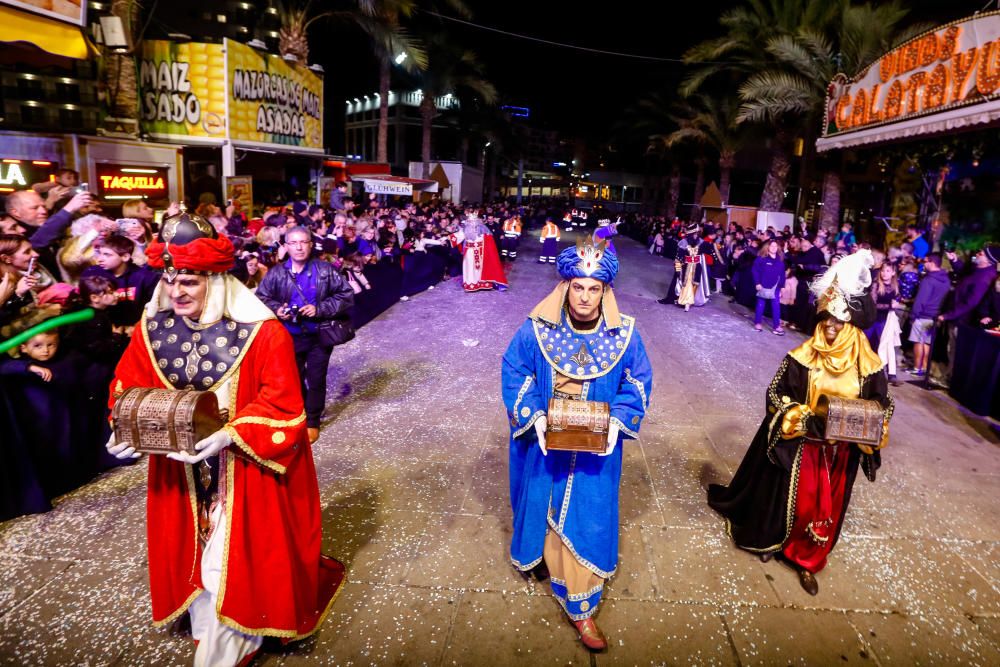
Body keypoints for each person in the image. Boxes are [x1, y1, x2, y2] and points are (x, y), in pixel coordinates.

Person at [105, 208, 345, 667]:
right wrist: (125, 427)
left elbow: (283, 407)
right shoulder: (152, 328)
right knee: (195, 554)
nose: (176, 291)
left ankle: (232, 641)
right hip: (179, 471)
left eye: (189, 282)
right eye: (171, 280)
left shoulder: (264, 333)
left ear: (214, 281)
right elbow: (126, 387)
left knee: (227, 560)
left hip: (245, 470)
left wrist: (231, 434)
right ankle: (212, 623)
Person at [708, 250, 893, 596]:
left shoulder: (868, 364)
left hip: (841, 455)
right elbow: (777, 395)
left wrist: (868, 425)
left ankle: (807, 560)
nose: (832, 328)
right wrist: (802, 417)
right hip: (803, 448)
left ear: (853, 327)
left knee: (825, 509)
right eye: (827, 321)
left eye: (840, 323)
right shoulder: (803, 356)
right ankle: (775, 541)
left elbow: (884, 404)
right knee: (794, 502)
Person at [501, 240, 653, 650]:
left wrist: (617, 423)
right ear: (566, 286)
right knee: (542, 504)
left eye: (594, 289)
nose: (585, 297)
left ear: (606, 291)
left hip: (595, 452)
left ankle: (582, 608)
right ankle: (544, 562)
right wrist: (532, 415)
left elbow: (636, 383)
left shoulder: (626, 335)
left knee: (589, 515)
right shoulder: (536, 328)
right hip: (546, 445)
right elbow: (516, 371)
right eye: (579, 287)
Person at [255, 226, 354, 443]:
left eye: (303, 242)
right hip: (289, 336)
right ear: (286, 246)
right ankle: (299, 411)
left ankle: (312, 420)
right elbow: (261, 297)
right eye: (294, 243)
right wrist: (277, 310)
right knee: (294, 377)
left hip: (319, 335)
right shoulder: (277, 273)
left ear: (311, 244)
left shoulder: (325, 269)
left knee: (316, 378)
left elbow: (346, 295)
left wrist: (320, 309)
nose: (299, 247)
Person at [907, 253, 949, 377]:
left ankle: (917, 367)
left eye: (925, 261)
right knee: (926, 343)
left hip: (922, 315)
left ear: (931, 262)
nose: (923, 264)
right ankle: (924, 367)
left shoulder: (928, 280)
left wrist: (913, 316)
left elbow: (920, 300)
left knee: (918, 342)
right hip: (935, 317)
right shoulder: (946, 280)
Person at [459, 215, 507, 292]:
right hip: (469, 253)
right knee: (471, 269)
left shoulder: (483, 229)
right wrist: (443, 239)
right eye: (470, 221)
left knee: (482, 268)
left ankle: (482, 284)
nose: (472, 223)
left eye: (474, 221)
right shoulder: (464, 230)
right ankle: (471, 285)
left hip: (481, 252)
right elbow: (456, 237)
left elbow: (489, 240)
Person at [752, 239, 786, 335]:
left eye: (776, 246)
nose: (774, 248)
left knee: (776, 306)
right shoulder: (761, 259)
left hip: (775, 287)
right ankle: (758, 323)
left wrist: (782, 287)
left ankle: (776, 326)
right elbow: (755, 271)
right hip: (763, 285)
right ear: (767, 247)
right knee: (760, 304)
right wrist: (757, 283)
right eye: (772, 246)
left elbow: (782, 274)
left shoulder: (780, 260)